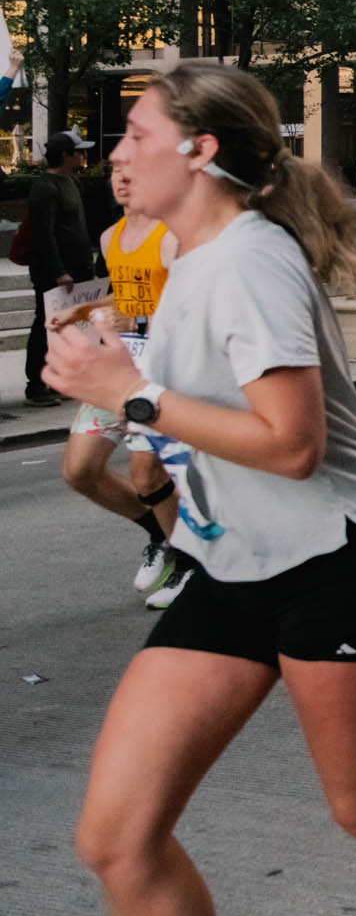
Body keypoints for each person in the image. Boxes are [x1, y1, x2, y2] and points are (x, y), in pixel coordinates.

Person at [42, 61, 356, 916]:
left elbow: (293, 445)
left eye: (138, 134)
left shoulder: (250, 260)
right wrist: (114, 355)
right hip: (234, 562)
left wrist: (130, 395)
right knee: (117, 838)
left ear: (200, 150)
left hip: (343, 561)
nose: (117, 151)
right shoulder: (191, 256)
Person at [59, 158, 184, 604]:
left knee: (147, 473)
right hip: (119, 364)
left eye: (133, 172)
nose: (122, 179)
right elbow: (125, 296)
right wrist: (79, 312)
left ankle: (191, 565)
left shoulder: (171, 235)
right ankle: (162, 536)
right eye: (116, 172)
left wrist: (142, 319)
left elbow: (191, 304)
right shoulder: (110, 237)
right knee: (79, 471)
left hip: (162, 368)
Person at [23, 127, 98, 407]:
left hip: (77, 270)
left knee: (69, 329)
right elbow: (43, 235)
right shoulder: (45, 187)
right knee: (46, 326)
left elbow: (77, 226)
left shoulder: (71, 183)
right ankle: (36, 385)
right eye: (79, 152)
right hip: (54, 273)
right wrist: (59, 271)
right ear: (66, 154)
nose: (84, 156)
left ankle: (58, 379)